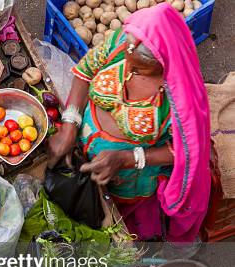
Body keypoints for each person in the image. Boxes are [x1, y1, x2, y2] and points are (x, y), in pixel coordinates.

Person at [47, 3, 211, 243]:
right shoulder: (123, 43)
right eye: (128, 54)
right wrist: (70, 124)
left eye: (141, 68)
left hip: (128, 177)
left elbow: (185, 151)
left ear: (163, 65)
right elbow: (84, 72)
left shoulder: (180, 100)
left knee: (115, 216)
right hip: (82, 147)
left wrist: (127, 158)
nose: (129, 67)